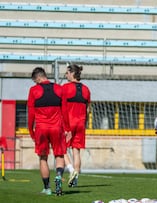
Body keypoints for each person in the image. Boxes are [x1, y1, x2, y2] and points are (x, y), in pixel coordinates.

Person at [27, 67, 66, 196]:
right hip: (57, 128)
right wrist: (68, 129)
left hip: (41, 129)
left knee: (43, 158)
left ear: (38, 78)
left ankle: (47, 189)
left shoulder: (33, 90)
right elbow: (65, 111)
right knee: (59, 155)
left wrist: (30, 130)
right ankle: (59, 177)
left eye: (35, 81)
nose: (35, 83)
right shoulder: (60, 89)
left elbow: (31, 113)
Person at [62, 64, 91, 187]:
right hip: (81, 123)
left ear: (72, 73)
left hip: (69, 123)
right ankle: (75, 180)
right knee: (76, 151)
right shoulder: (86, 89)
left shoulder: (65, 88)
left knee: (61, 149)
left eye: (67, 73)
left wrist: (65, 127)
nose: (65, 75)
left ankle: (71, 170)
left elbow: (61, 107)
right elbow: (88, 109)